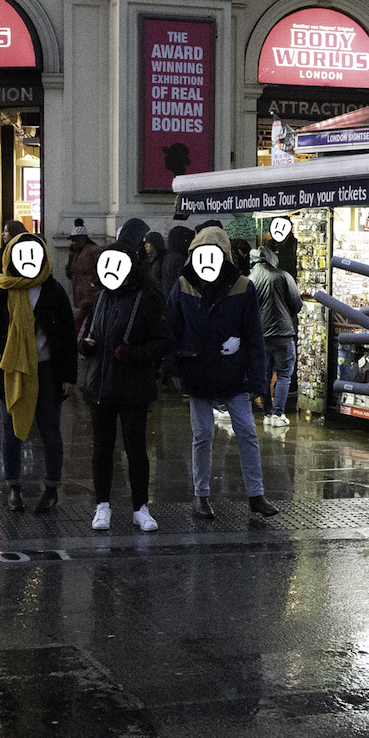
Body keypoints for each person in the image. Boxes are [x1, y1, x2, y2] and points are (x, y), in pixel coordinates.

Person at [163, 224, 278, 521]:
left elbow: (254, 335)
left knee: (247, 432)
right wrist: (171, 367)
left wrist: (257, 379)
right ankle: (201, 497)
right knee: (202, 435)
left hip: (232, 372)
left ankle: (256, 495)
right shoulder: (184, 285)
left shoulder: (243, 286)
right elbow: (171, 330)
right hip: (198, 370)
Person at [78, 217, 169, 531]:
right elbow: (91, 333)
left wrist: (135, 354)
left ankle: (140, 507)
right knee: (102, 448)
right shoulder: (101, 297)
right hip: (100, 386)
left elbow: (162, 342)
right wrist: (86, 346)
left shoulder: (146, 299)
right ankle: (102, 505)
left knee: (135, 449)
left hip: (132, 387)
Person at [0, 231, 78, 513]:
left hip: (47, 370)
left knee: (50, 430)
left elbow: (66, 336)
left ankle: (51, 488)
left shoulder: (53, 289)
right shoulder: (5, 289)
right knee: (10, 431)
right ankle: (14, 488)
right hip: (11, 371)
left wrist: (69, 377)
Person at [250, 237, 302, 427]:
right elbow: (297, 303)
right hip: (283, 333)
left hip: (260, 336)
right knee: (284, 375)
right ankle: (278, 415)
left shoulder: (249, 280)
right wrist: (286, 315)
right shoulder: (283, 276)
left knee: (263, 375)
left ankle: (267, 413)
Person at [65, 219, 102, 312]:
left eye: (75, 240)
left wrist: (94, 284)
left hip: (91, 297)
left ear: (83, 239)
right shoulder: (75, 254)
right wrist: (71, 256)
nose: (73, 243)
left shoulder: (94, 250)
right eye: (72, 241)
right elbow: (70, 274)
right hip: (80, 298)